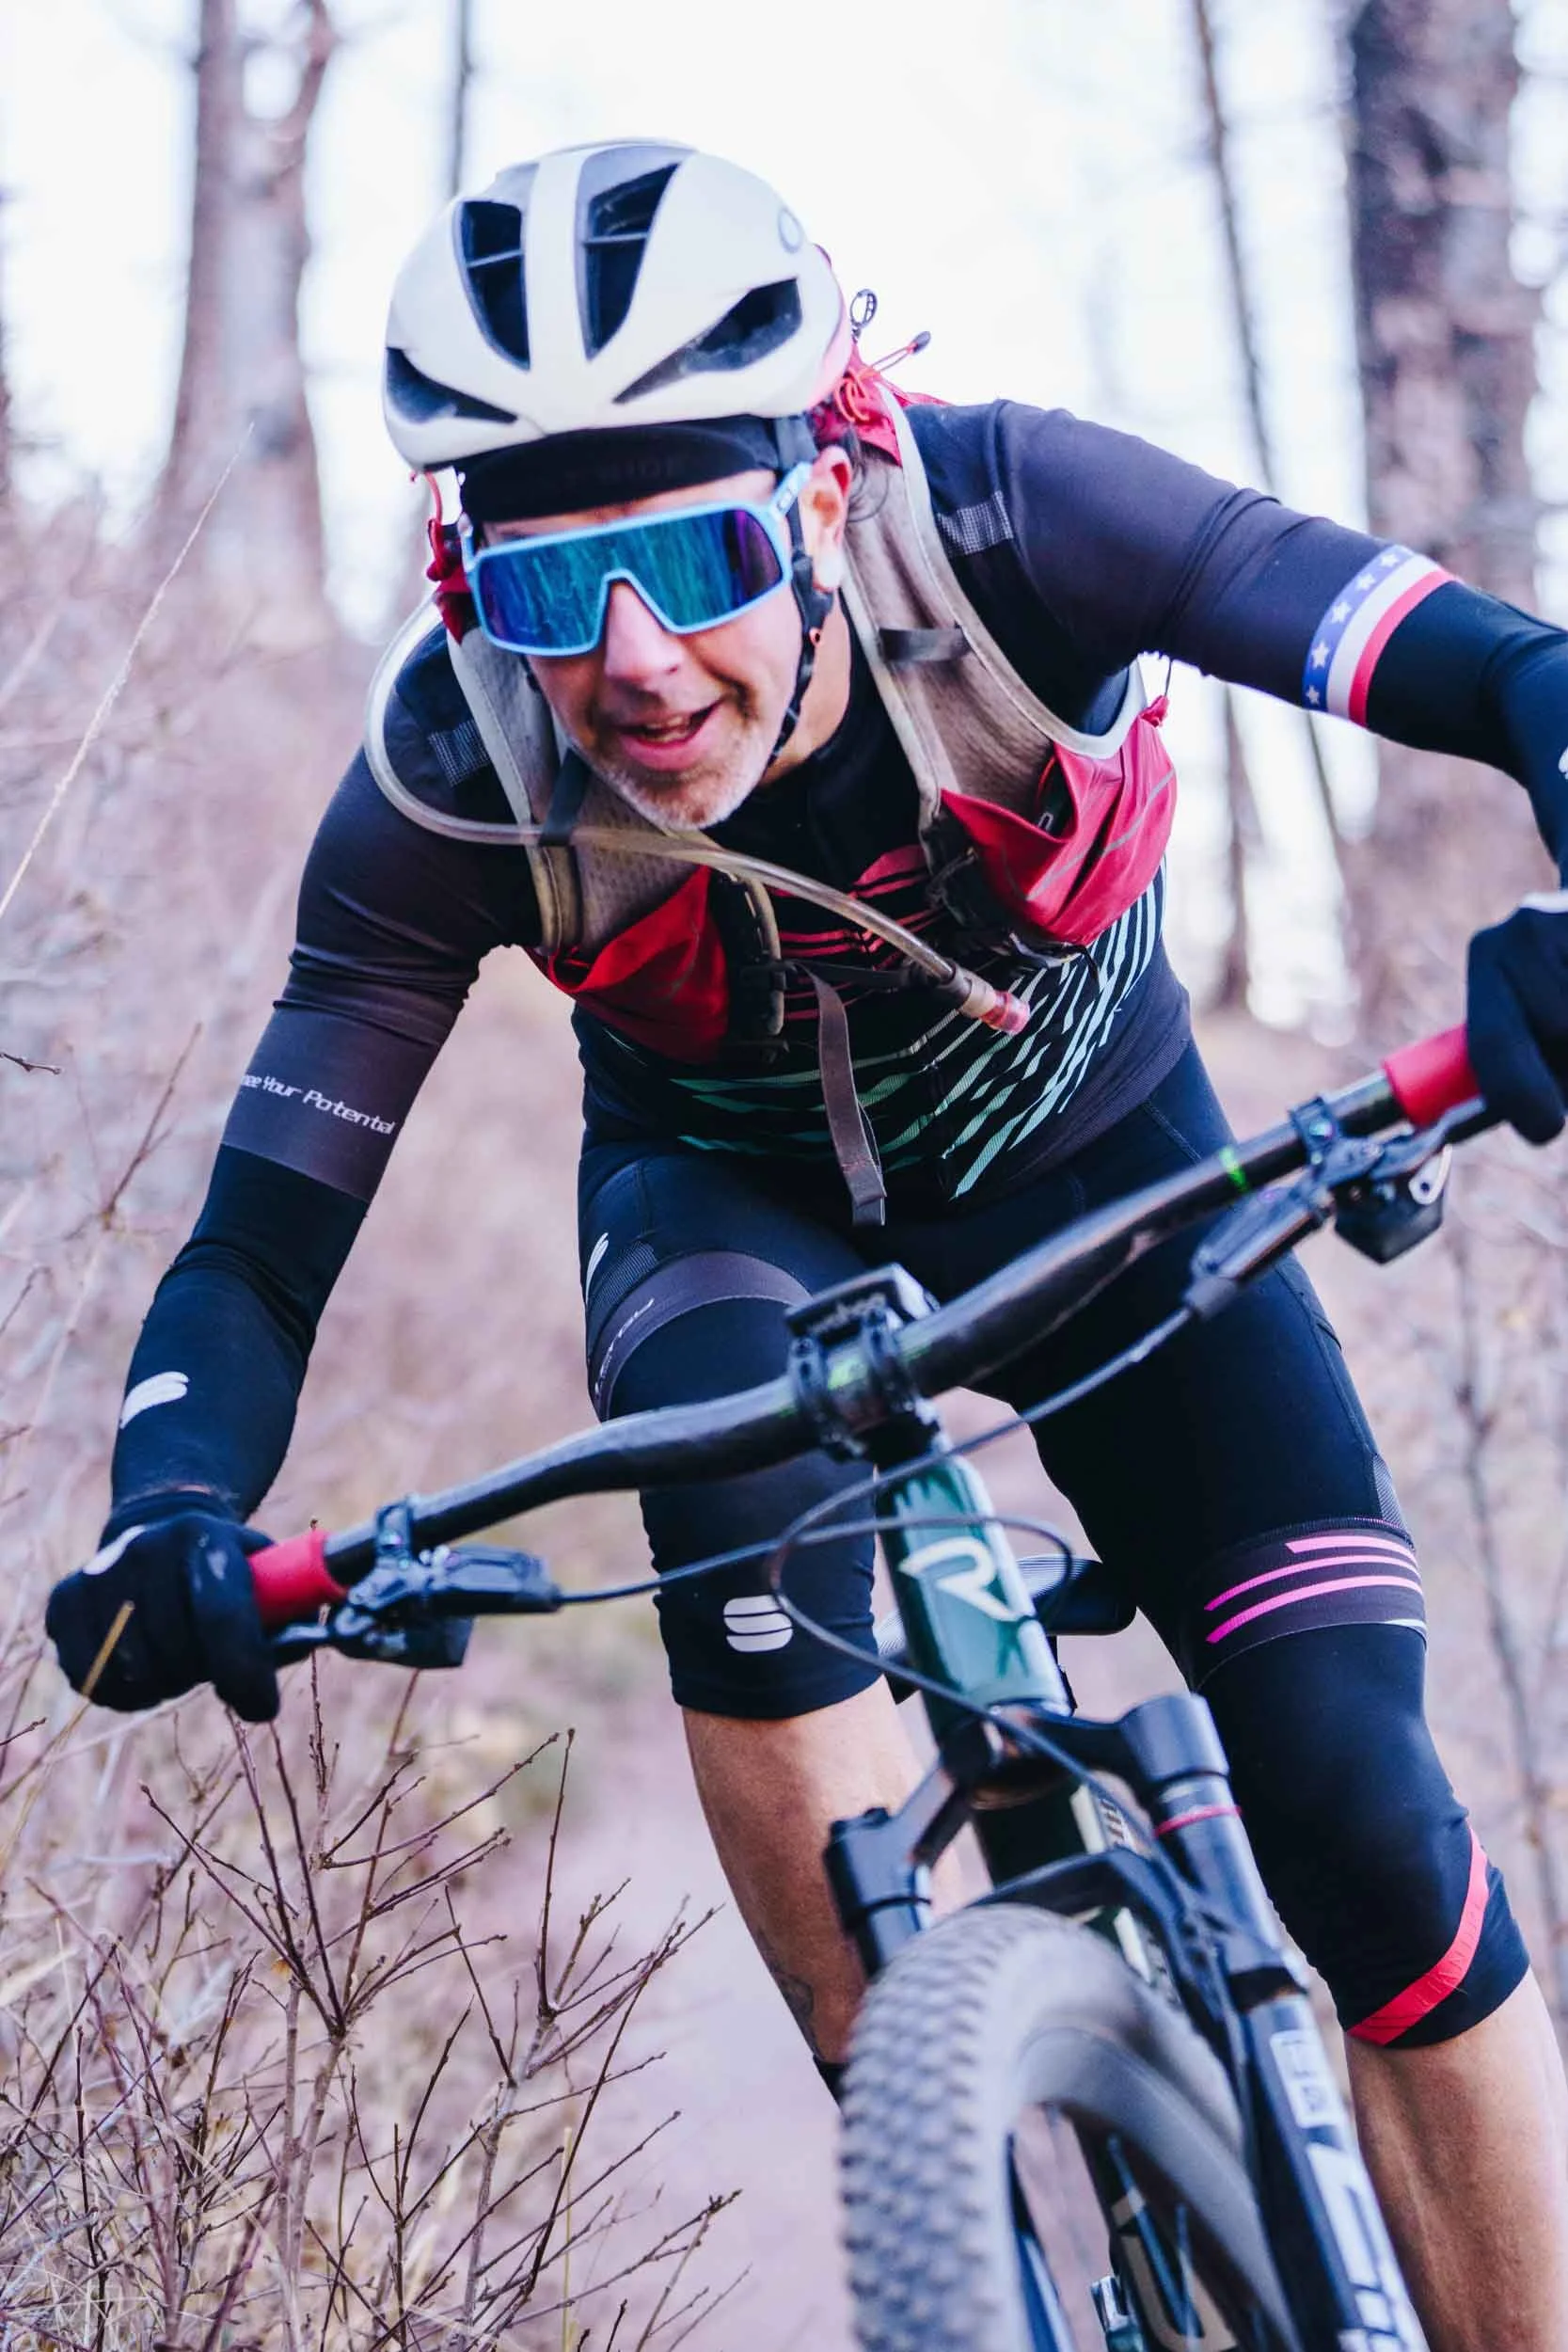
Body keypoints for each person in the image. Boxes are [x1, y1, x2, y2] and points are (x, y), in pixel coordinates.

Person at [46, 141, 1568, 2347]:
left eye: (696, 556)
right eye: (551, 585)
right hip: (723, 1218)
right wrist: (168, 1504)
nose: (635, 661)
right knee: (719, 1437)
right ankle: (950, 2220)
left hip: (1108, 1175)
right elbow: (258, 1251)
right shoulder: (451, 767)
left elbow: (1510, 675)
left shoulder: (1014, 522)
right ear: (466, 580)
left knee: (1360, 1810)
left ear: (825, 486)